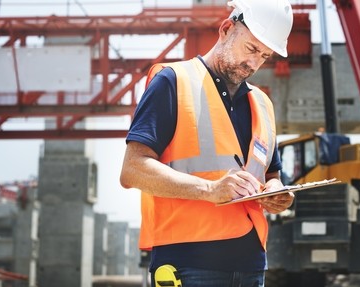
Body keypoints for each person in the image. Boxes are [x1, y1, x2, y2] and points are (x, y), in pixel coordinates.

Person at [120, 0, 295, 285]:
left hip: (252, 264)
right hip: (188, 263)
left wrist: (276, 191)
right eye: (251, 48)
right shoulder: (172, 81)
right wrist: (210, 190)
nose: (253, 63)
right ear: (226, 29)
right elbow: (132, 170)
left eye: (264, 56)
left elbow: (271, 174)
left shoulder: (262, 104)